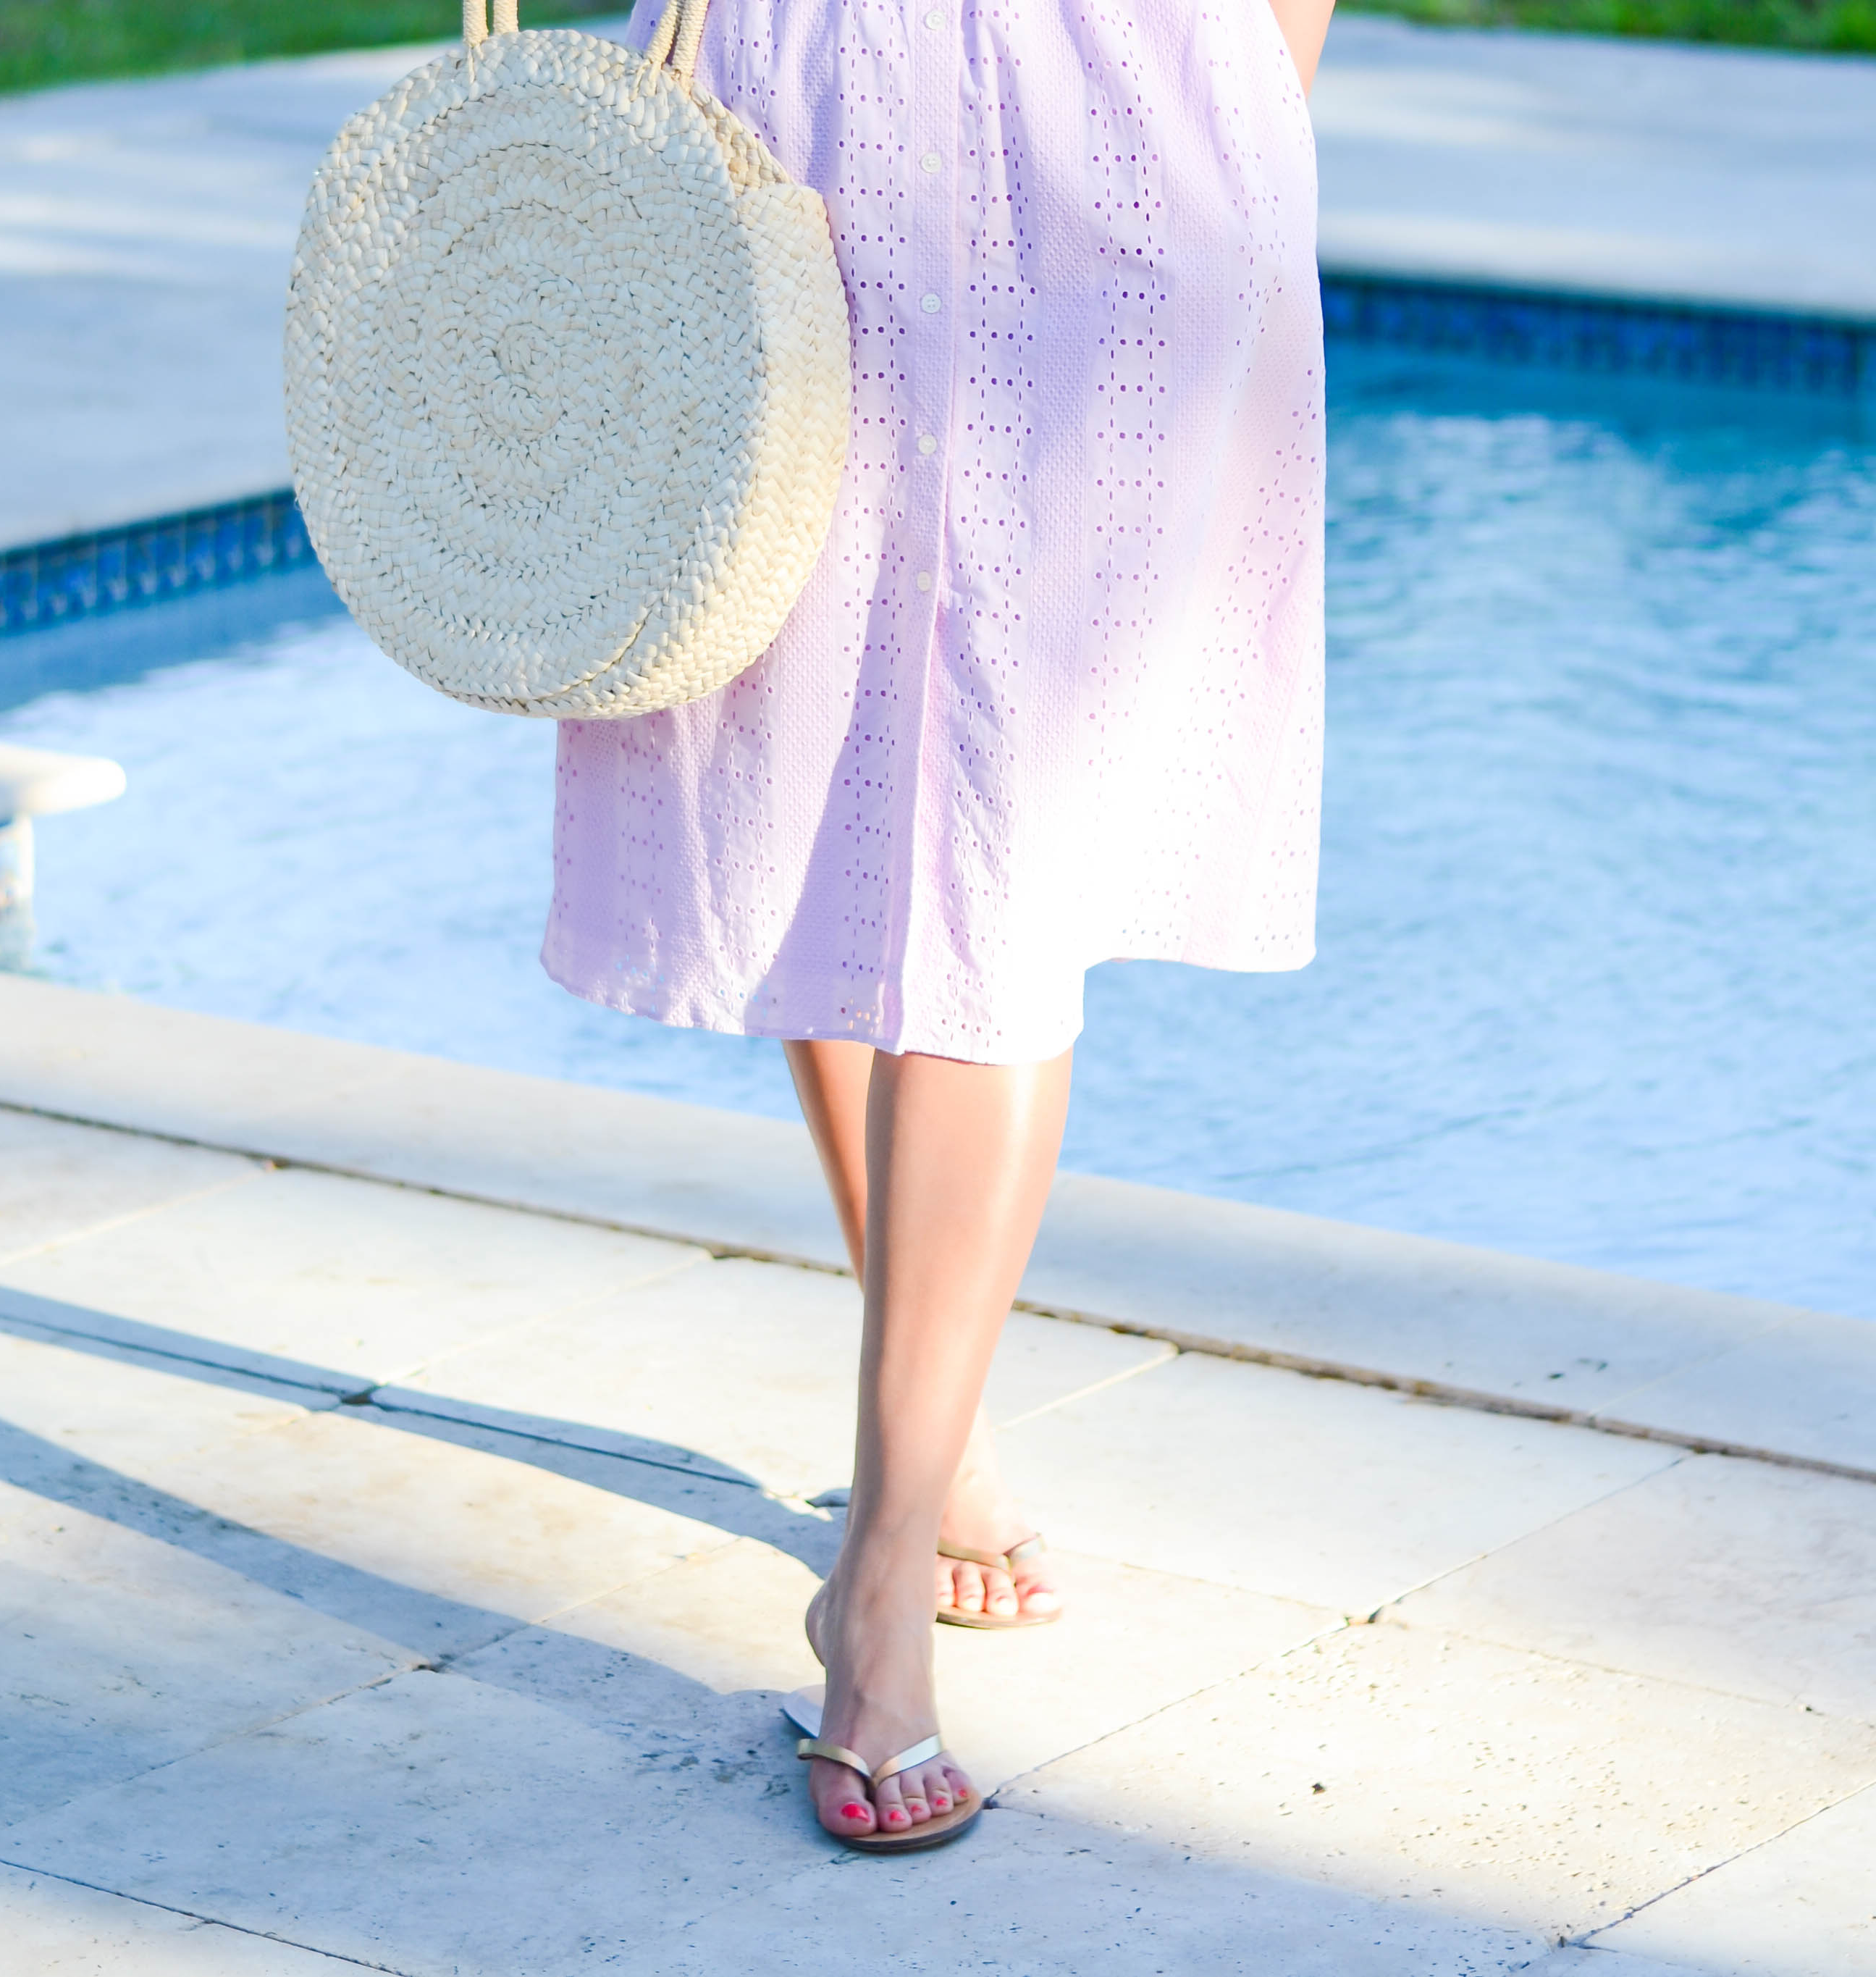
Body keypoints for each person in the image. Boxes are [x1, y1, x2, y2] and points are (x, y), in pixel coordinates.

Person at [545, 0, 1335, 1850]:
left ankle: (878, 1581)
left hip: (1121, 111)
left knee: (1001, 867)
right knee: (822, 771)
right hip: (800, 97)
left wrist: (1243, 81)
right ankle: (937, 1445)